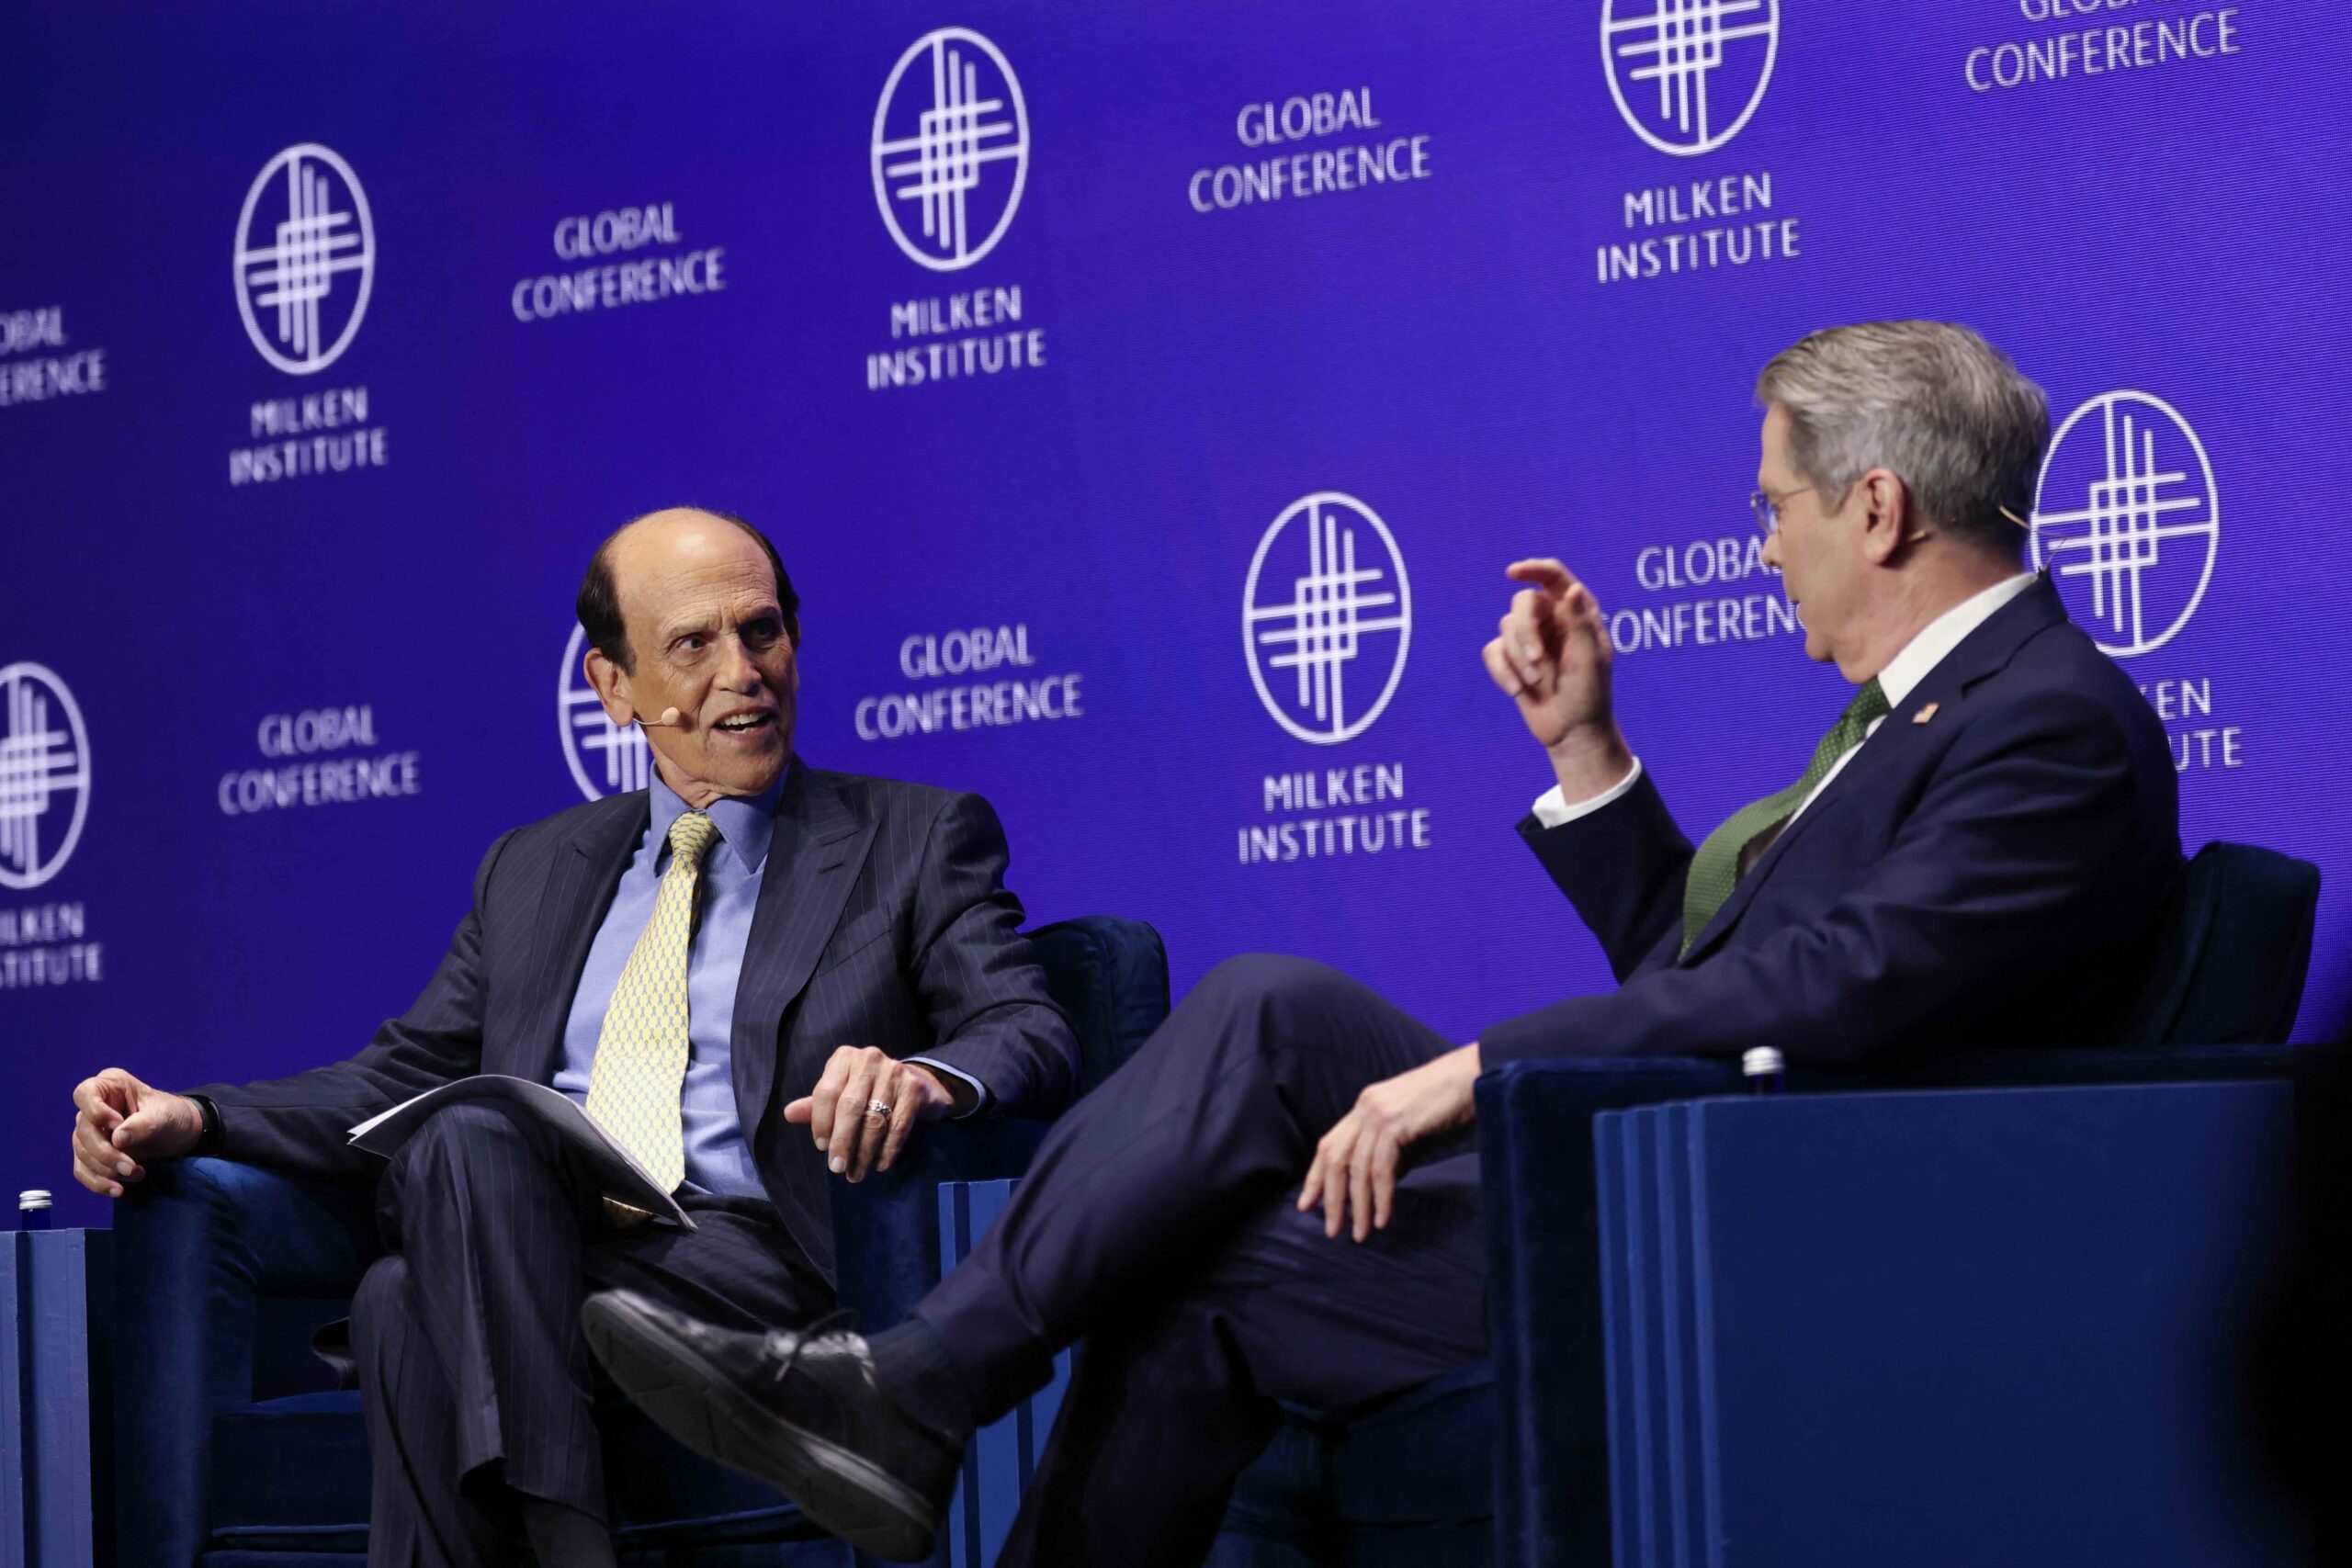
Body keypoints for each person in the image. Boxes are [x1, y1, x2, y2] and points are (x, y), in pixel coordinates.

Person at [582, 321, 2187, 1566]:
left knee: (1202, 1252)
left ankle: (910, 1386)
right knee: (1268, 1007)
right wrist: (1586, 752)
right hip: (1697, 1163)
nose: (1764, 546)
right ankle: (914, 1382)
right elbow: (1712, 985)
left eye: (1776, 506)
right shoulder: (1939, 716)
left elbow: (1825, 993)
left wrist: (1475, 1068)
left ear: (1877, 506)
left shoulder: (2047, 723)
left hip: (1783, 1235)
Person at [68, 508, 1077, 1568]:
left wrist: (921, 1076)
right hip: (535, 1243)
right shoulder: (533, 869)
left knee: (410, 1284)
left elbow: (1025, 1025)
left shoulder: (911, 838)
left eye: (762, 631)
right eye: (693, 644)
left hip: (756, 1255)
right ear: (613, 685)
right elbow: (403, 1072)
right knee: (426, 1237)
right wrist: (199, 1117)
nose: (742, 672)